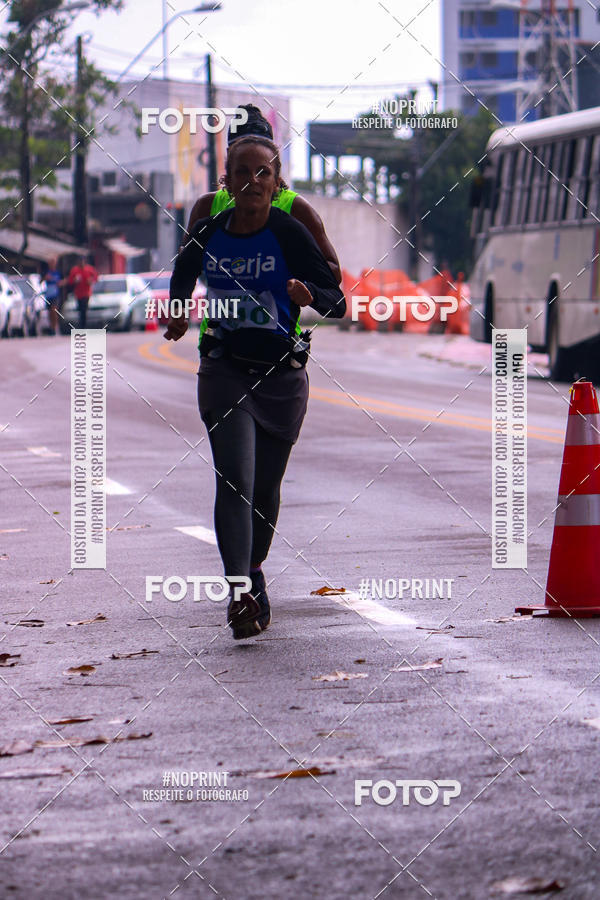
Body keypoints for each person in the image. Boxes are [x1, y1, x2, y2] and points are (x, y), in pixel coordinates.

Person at [166, 135, 345, 639]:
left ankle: (254, 568)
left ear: (276, 181)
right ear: (226, 181)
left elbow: (337, 301)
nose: (252, 181)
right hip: (223, 370)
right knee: (235, 480)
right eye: (241, 172)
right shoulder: (208, 230)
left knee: (264, 489)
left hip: (281, 378)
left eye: (262, 172)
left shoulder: (290, 232)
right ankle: (240, 591)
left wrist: (311, 296)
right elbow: (182, 272)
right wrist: (180, 311)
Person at [186, 104, 342, 285]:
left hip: (279, 314)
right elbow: (186, 263)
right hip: (219, 314)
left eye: (260, 150)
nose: (253, 175)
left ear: (272, 156)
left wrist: (286, 270)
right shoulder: (206, 206)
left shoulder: (296, 208)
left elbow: (333, 273)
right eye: (243, 149)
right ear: (230, 155)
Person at [67, 256, 98, 329]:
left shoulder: (89, 269)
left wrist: (91, 280)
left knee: (84, 309)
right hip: (78, 294)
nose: (81, 263)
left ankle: (83, 325)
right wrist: (75, 281)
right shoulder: (74, 270)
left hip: (86, 293)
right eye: (80, 261)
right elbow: (70, 281)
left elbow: (96, 277)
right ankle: (82, 324)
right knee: (80, 309)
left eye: (82, 261)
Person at [42, 257, 63, 335]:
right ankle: (51, 327)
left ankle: (55, 327)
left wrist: (60, 283)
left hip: (55, 294)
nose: (52, 264)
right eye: (51, 263)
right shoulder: (46, 272)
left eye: (53, 263)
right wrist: (45, 278)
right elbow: (41, 280)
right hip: (48, 295)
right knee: (49, 313)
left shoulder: (58, 272)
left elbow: (64, 280)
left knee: (54, 311)